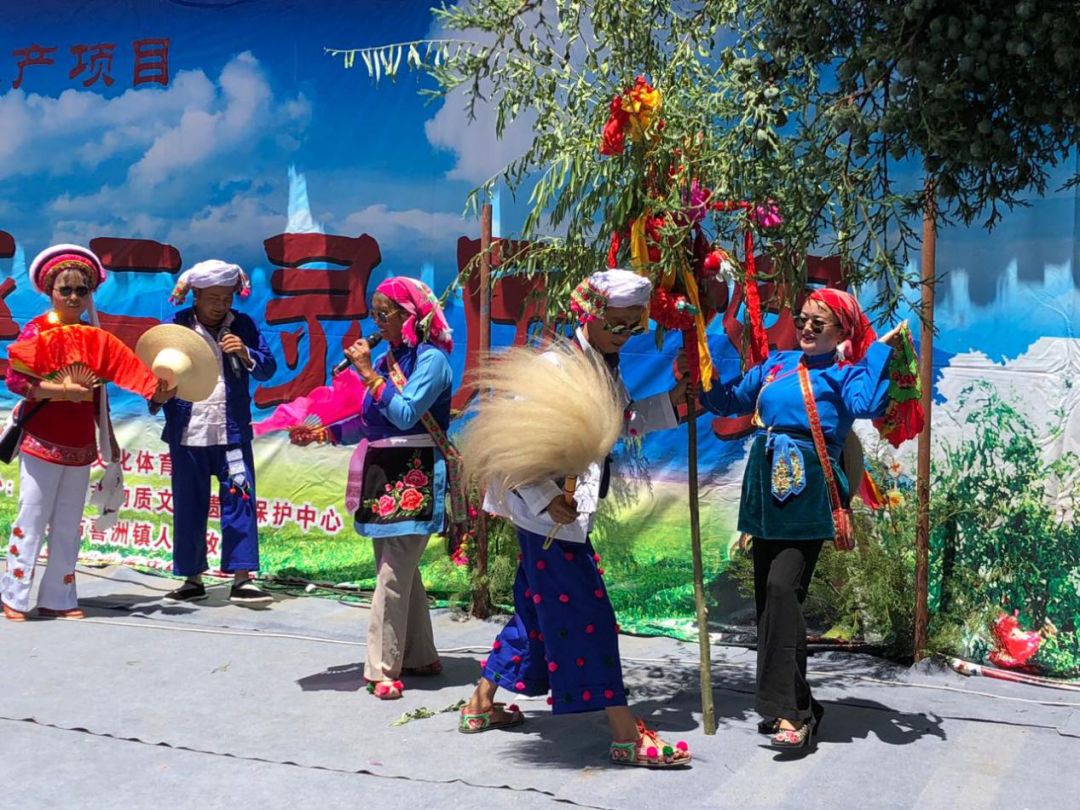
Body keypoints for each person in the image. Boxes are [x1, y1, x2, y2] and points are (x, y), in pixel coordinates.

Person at [459, 269, 693, 768]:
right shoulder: (554, 367)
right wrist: (547, 497)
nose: (625, 335)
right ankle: (625, 732)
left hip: (559, 518)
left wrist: (674, 404)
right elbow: (508, 446)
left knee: (532, 613)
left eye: (635, 326)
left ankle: (480, 703)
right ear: (591, 315)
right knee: (591, 618)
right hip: (548, 522)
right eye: (618, 323)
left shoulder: (602, 366)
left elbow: (621, 421)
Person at [697, 287, 903, 750]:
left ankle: (795, 709)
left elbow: (870, 404)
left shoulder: (845, 376)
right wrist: (705, 376)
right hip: (764, 489)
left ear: (841, 331)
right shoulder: (776, 364)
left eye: (819, 323)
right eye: (804, 318)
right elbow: (731, 403)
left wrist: (880, 350)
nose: (807, 328)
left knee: (781, 589)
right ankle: (791, 706)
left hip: (808, 491)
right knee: (772, 603)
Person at [291, 276, 453, 700]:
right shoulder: (386, 361)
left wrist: (366, 372)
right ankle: (419, 654)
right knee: (399, 568)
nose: (378, 323)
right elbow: (368, 421)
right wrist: (322, 434)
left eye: (386, 314)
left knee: (392, 570)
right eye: (375, 314)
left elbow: (403, 414)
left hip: (415, 469)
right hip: (382, 471)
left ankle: (381, 668)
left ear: (412, 316)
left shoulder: (432, 361)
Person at [1, 245, 120, 620]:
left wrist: (108, 436)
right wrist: (61, 391)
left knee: (69, 525)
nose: (72, 297)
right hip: (41, 439)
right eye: (64, 289)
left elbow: (100, 393)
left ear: (90, 295)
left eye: (81, 291)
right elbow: (17, 380)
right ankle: (14, 596)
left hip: (81, 442)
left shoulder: (94, 335)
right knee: (32, 517)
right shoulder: (38, 330)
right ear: (49, 290)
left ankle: (59, 598)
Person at [151, 260, 277, 606]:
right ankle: (192, 577)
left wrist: (246, 353)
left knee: (240, 500)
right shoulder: (176, 328)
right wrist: (160, 392)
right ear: (196, 296)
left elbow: (268, 367)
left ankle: (242, 577)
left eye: (227, 298)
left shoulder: (244, 326)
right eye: (214, 298)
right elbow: (156, 378)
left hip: (231, 433)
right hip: (188, 433)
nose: (221, 305)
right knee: (189, 505)